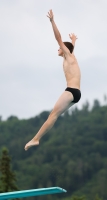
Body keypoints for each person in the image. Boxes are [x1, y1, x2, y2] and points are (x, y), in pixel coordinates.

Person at [24, 9, 81, 151]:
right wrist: (73, 40)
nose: (58, 48)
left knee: (53, 115)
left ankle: (36, 139)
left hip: (71, 91)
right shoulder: (71, 57)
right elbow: (70, 47)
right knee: (53, 116)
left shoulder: (69, 56)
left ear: (65, 50)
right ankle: (36, 139)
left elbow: (59, 38)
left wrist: (52, 21)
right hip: (76, 93)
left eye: (60, 48)